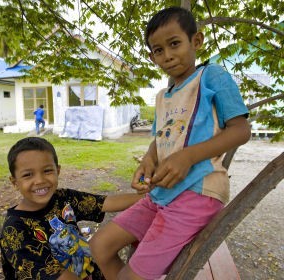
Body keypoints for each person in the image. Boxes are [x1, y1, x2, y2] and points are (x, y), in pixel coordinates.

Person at [89, 7, 251, 280]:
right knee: (98, 247)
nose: (168, 55)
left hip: (198, 194)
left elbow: (241, 130)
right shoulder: (164, 96)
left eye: (174, 43)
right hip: (160, 194)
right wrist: (148, 160)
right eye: (158, 50)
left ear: (196, 41)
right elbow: (160, 138)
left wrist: (187, 157)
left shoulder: (211, 76)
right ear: (152, 56)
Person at [0, 137, 144, 280]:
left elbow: (107, 202)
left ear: (58, 171)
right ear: (14, 182)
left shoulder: (63, 197)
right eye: (28, 175)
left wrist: (150, 197)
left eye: (47, 171)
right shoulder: (14, 231)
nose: (40, 180)